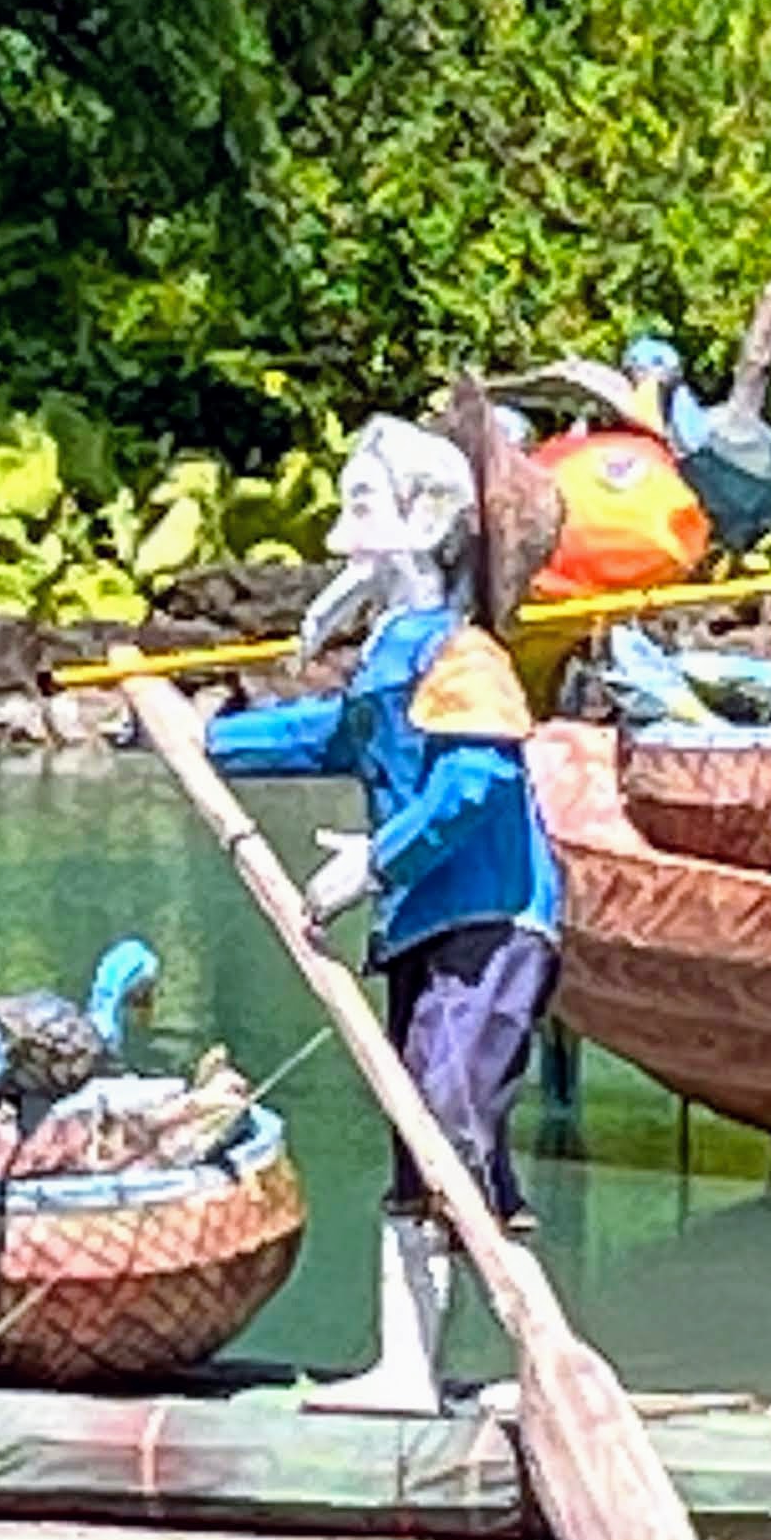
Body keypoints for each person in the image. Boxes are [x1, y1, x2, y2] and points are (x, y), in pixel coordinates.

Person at [205, 415, 561, 1415]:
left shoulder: (461, 653)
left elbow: (475, 785)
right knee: (426, 1133)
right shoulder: (393, 654)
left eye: (362, 506)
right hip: (426, 925)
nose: (342, 534)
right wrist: (208, 739)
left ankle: (525, 1360)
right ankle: (425, 1366)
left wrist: (376, 860)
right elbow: (342, 734)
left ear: (427, 520)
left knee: (446, 1119)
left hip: (490, 920)